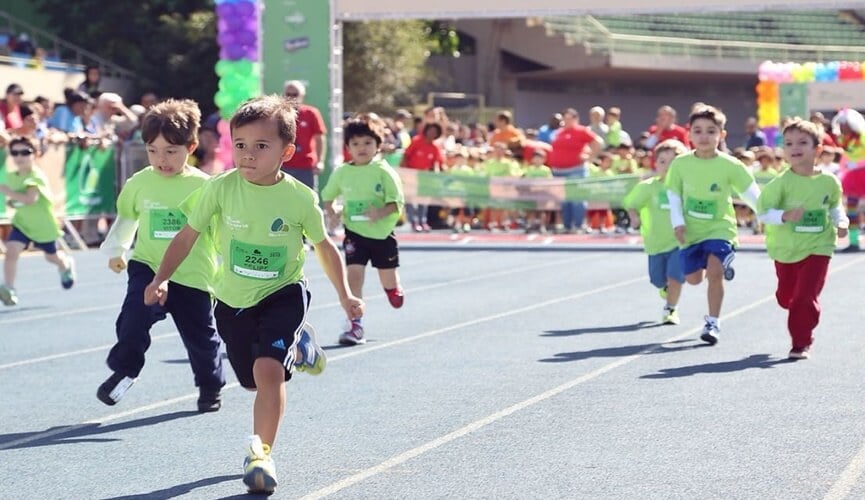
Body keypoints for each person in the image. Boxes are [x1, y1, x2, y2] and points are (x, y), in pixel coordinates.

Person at [143, 95, 363, 495]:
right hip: (231, 300)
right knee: (251, 382)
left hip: (283, 293)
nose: (248, 155)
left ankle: (260, 454)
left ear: (287, 151)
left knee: (268, 372)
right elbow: (187, 235)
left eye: (261, 146)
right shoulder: (220, 189)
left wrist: (346, 296)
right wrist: (161, 278)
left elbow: (325, 247)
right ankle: (300, 350)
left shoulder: (298, 198)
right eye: (240, 145)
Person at [95, 99, 225, 411]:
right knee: (133, 318)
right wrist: (117, 251)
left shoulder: (205, 187)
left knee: (201, 340)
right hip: (148, 266)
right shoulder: (139, 182)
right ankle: (125, 369)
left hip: (192, 274)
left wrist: (226, 272)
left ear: (191, 147)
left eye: (171, 151)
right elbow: (127, 218)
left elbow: (221, 233)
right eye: (153, 151)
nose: (161, 159)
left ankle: (210, 387)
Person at [666, 105, 761, 345]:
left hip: (720, 228)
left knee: (715, 273)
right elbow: (674, 196)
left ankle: (713, 322)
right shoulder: (680, 164)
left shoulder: (731, 165)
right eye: (698, 131)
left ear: (722, 135)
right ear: (689, 134)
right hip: (691, 230)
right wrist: (678, 223)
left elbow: (753, 196)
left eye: (711, 131)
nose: (704, 136)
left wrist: (771, 216)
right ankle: (715, 262)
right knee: (694, 279)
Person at [757, 118, 848, 359]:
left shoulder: (829, 181)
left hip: (820, 246)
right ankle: (797, 308)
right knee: (788, 298)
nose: (795, 147)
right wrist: (785, 216)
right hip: (786, 249)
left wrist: (841, 222)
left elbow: (835, 206)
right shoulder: (781, 183)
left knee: (805, 296)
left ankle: (801, 342)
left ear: (817, 148)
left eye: (802, 142)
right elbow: (763, 213)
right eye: (788, 143)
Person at [321, 119, 405, 346]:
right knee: (354, 276)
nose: (362, 148)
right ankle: (355, 325)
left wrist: (379, 212)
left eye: (368, 142)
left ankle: (392, 288)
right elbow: (328, 197)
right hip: (355, 233)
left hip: (382, 234)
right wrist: (333, 212)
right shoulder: (342, 172)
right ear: (348, 147)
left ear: (377, 145)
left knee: (388, 279)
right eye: (356, 143)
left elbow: (396, 203)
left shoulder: (384, 172)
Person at [0, 136, 76, 306]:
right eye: (15, 153)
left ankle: (65, 265)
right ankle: (9, 287)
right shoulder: (12, 176)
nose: (19, 157)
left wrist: (7, 192)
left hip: (43, 226)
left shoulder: (36, 176)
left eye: (25, 152)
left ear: (35, 154)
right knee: (11, 251)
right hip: (23, 223)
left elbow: (30, 199)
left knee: (52, 257)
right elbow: (19, 200)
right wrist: (13, 200)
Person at [623, 139, 688, 325]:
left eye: (673, 161)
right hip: (655, 243)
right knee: (658, 280)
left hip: (680, 242)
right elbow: (631, 204)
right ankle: (665, 288)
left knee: (676, 277)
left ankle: (670, 309)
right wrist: (634, 216)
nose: (667, 166)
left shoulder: (687, 187)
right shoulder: (648, 187)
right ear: (655, 164)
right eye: (662, 161)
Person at [548, 108, 603, 233]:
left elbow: (598, 142)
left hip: (576, 170)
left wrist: (590, 157)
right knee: (564, 200)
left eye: (569, 118)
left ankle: (578, 225)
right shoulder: (558, 132)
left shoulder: (581, 131)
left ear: (575, 119)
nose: (566, 121)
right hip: (558, 171)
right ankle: (567, 225)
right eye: (564, 118)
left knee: (577, 198)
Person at [280, 80, 326, 190]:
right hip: (283, 165)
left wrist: (320, 161)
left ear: (302, 96)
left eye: (295, 94)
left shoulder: (311, 113)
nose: (291, 97)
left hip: (306, 167)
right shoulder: (278, 115)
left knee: (309, 201)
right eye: (288, 94)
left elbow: (320, 138)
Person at [830, 108, 865, 252]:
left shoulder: (862, 137)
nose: (841, 127)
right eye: (840, 124)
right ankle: (854, 241)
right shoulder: (842, 140)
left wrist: (858, 163)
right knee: (851, 210)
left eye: (844, 124)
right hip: (851, 178)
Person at [400, 122, 443, 232]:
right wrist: (404, 172)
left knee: (423, 200)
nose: (432, 133)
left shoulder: (435, 147)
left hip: (424, 178)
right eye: (430, 130)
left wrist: (435, 175)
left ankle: (422, 221)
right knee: (410, 199)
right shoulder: (416, 141)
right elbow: (406, 155)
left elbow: (435, 164)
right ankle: (413, 222)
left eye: (435, 132)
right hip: (410, 175)